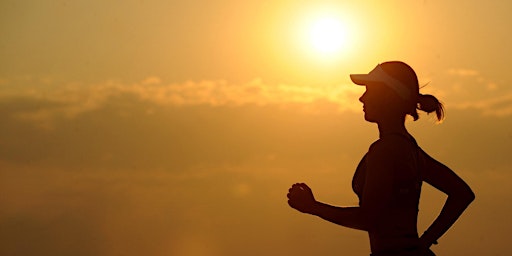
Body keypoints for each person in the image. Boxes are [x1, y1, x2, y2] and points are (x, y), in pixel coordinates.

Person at [286, 61, 475, 256]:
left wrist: (313, 207)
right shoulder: (410, 149)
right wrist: (424, 242)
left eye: (369, 90)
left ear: (388, 96)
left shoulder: (385, 150)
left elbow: (369, 219)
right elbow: (462, 193)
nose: (361, 98)